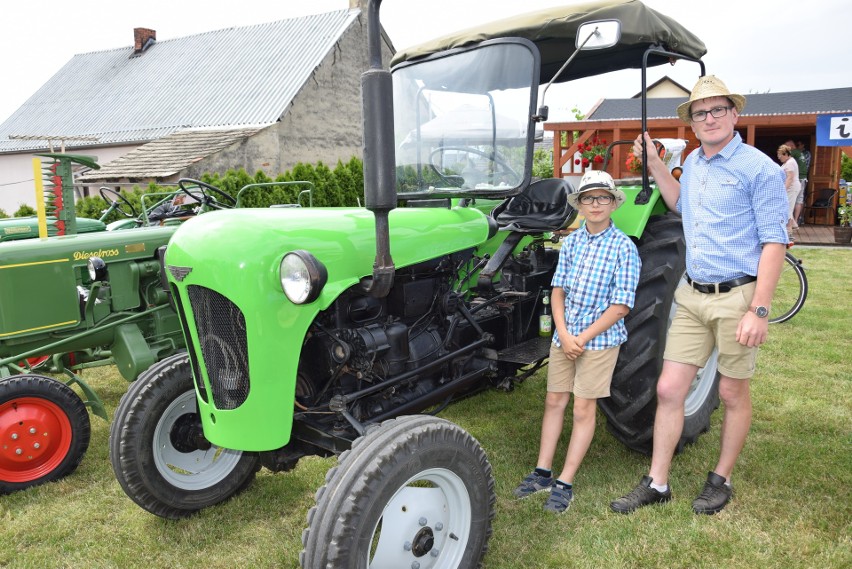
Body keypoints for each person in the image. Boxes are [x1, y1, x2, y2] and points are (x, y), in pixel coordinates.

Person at [610, 75, 788, 516]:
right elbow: (679, 206)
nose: (709, 118)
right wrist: (654, 166)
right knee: (669, 389)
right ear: (691, 122)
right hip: (691, 294)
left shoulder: (758, 169)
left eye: (717, 110)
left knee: (731, 393)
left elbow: (774, 242)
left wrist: (759, 310)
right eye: (700, 113)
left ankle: (721, 478)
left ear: (734, 114)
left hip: (736, 297)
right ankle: (658, 481)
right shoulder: (693, 163)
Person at [513, 170, 641, 514]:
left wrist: (581, 338)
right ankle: (542, 471)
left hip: (598, 341)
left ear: (613, 203)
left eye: (602, 198)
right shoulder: (570, 243)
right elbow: (558, 291)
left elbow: (621, 306)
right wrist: (564, 333)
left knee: (583, 408)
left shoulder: (624, 248)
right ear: (580, 205)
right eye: (588, 198)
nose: (595, 204)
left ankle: (565, 480)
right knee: (555, 400)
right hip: (565, 336)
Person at [777, 144, 802, 234]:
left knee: (787, 207)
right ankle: (794, 225)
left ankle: (789, 229)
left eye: (780, 155)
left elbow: (790, 177)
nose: (779, 157)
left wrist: (783, 190)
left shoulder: (790, 163)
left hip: (791, 187)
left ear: (785, 154)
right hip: (790, 187)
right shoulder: (787, 162)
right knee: (786, 205)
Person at [793, 140, 812, 225]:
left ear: (803, 145)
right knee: (797, 199)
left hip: (801, 178)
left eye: (798, 144)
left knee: (800, 199)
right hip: (798, 177)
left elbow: (804, 167)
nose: (797, 146)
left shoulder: (806, 154)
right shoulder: (795, 153)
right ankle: (795, 219)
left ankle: (800, 218)